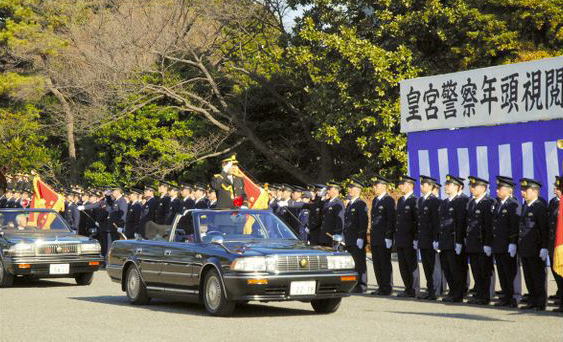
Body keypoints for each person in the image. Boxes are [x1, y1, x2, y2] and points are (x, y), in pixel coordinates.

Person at [518, 178, 548, 311]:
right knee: (529, 276)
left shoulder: (539, 207)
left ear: (535, 191)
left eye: (526, 190)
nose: (523, 192)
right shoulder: (525, 206)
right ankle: (532, 300)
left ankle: (540, 302)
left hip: (536, 249)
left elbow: (544, 229)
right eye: (522, 189)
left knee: (537, 276)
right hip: (525, 248)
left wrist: (544, 247)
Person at [464, 176, 494, 305]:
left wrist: (488, 243)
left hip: (482, 243)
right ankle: (479, 294)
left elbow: (489, 225)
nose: (471, 189)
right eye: (471, 186)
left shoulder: (488, 203)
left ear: (482, 188)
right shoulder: (471, 202)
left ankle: (485, 296)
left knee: (484, 271)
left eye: (474, 186)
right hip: (472, 243)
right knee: (476, 270)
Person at [491, 176, 520, 307]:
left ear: (509, 190)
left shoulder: (513, 204)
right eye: (497, 188)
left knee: (510, 272)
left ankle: (514, 297)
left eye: (500, 188)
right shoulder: (497, 204)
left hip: (508, 245)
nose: (497, 191)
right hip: (498, 245)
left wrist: (513, 242)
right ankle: (506, 297)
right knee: (502, 272)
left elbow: (514, 225)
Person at [416, 175, 441, 300]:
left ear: (430, 186)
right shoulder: (421, 200)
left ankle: (435, 291)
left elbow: (436, 222)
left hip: (431, 240)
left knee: (433, 266)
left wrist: (436, 239)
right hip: (423, 239)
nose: (421, 186)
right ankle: (430, 289)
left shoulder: (434, 201)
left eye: (423, 184)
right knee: (426, 266)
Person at [370, 175, 395, 296]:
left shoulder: (388, 200)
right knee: (377, 263)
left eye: (377, 185)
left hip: (384, 237)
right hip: (375, 237)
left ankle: (387, 287)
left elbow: (390, 219)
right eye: (374, 185)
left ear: (384, 186)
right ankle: (380, 286)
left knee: (385, 263)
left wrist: (388, 236)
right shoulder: (375, 200)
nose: (375, 187)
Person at [395, 175, 418, 297]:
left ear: (409, 185)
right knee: (403, 265)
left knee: (411, 264)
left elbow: (416, 221)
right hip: (400, 238)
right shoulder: (401, 200)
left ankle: (414, 289)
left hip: (409, 238)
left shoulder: (414, 200)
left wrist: (415, 238)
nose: (400, 186)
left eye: (402, 184)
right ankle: (407, 288)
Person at [344, 179, 368, 293]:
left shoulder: (360, 204)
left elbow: (363, 222)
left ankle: (361, 285)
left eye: (352, 188)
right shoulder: (350, 203)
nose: (349, 190)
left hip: (356, 238)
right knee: (352, 263)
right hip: (349, 238)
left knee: (359, 263)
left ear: (358, 190)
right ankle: (354, 284)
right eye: (349, 188)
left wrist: (361, 237)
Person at [548, 176, 563, 312]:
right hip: (554, 243)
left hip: (561, 244)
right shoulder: (553, 203)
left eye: (558, 188)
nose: (555, 191)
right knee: (556, 271)